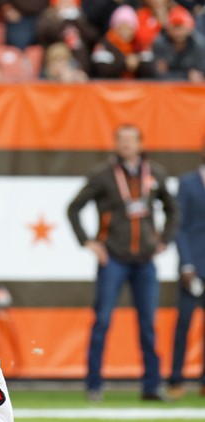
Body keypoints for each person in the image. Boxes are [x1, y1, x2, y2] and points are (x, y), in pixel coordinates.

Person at [67, 123, 178, 402]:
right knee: (103, 321)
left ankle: (152, 387)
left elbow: (172, 209)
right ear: (116, 144)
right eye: (122, 140)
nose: (127, 145)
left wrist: (163, 240)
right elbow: (74, 207)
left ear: (141, 144)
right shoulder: (103, 175)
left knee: (148, 325)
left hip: (145, 261)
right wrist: (88, 241)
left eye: (131, 140)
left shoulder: (155, 173)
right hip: (113, 258)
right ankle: (94, 386)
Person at [168, 140, 205, 399]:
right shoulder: (188, 182)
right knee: (184, 323)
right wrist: (187, 264)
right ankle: (176, 379)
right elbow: (178, 227)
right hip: (193, 266)